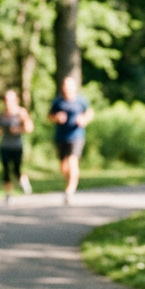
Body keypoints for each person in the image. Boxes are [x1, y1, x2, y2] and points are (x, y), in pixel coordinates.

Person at [48, 75, 93, 205]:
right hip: (61, 137)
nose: (67, 89)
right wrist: (56, 117)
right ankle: (69, 184)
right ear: (63, 87)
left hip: (77, 136)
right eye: (65, 86)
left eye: (69, 86)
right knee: (63, 167)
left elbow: (89, 112)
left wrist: (84, 119)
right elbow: (49, 116)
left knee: (73, 162)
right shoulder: (58, 102)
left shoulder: (81, 101)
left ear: (74, 87)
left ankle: (70, 191)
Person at [0, 90, 33, 203]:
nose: (8, 102)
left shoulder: (21, 113)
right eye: (6, 100)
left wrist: (18, 129)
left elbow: (29, 128)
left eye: (11, 100)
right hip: (4, 146)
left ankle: (23, 180)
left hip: (17, 146)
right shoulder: (2, 115)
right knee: (6, 170)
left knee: (16, 170)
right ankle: (8, 194)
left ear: (16, 100)